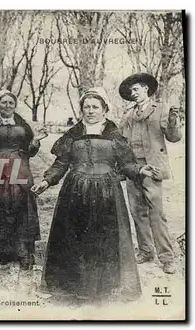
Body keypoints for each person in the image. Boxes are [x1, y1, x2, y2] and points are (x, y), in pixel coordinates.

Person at [32, 87, 158, 302]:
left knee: (103, 240)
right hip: (75, 193)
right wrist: (46, 180)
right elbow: (61, 163)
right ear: (81, 110)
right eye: (86, 107)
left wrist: (140, 170)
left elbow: (126, 164)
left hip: (107, 194)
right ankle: (76, 288)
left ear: (105, 109)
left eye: (95, 107)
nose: (90, 111)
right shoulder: (72, 136)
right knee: (76, 239)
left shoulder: (115, 136)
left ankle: (102, 289)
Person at [0, 90, 47, 271]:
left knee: (20, 206)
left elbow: (30, 150)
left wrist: (37, 141)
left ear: (15, 105)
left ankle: (23, 251)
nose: (7, 106)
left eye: (11, 103)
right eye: (3, 103)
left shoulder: (22, 124)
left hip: (19, 168)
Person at [118, 73, 182, 274]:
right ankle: (146, 251)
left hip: (152, 168)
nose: (133, 93)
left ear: (146, 89)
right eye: (130, 91)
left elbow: (174, 137)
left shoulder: (161, 109)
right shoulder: (128, 115)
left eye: (136, 89)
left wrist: (173, 121)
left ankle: (167, 257)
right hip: (133, 169)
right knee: (137, 212)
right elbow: (120, 141)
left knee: (156, 213)